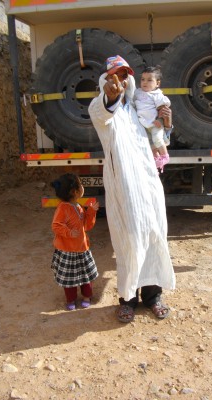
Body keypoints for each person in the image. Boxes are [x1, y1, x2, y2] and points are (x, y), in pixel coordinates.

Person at [88, 55, 175, 323]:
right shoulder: (101, 107)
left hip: (148, 184)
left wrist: (166, 123)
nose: (120, 80)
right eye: (115, 75)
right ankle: (127, 299)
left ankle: (153, 297)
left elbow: (157, 138)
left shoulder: (138, 110)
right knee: (128, 241)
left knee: (154, 234)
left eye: (125, 75)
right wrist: (110, 98)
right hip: (124, 188)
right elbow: (102, 114)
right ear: (106, 79)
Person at [50, 173, 99, 310]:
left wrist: (91, 212)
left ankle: (86, 296)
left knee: (85, 276)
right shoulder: (63, 208)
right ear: (74, 191)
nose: (83, 187)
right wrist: (69, 232)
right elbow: (56, 225)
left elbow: (86, 226)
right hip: (67, 251)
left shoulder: (78, 206)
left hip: (82, 249)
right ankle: (71, 300)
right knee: (69, 279)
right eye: (81, 185)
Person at [134, 66, 172, 173]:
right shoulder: (137, 92)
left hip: (156, 123)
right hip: (144, 123)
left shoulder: (157, 95)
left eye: (150, 80)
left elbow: (163, 108)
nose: (145, 82)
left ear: (157, 83)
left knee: (157, 139)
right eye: (143, 79)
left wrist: (159, 119)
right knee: (151, 144)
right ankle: (156, 160)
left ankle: (165, 156)